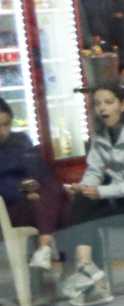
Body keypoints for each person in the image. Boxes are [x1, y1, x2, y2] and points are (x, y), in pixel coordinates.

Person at [59, 83, 124, 306]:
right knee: (83, 201)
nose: (102, 109)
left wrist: (99, 191)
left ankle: (89, 276)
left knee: (88, 207)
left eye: (109, 102)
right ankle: (87, 268)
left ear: (123, 104)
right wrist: (84, 187)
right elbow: (94, 171)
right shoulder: (100, 135)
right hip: (120, 195)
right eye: (97, 104)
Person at [0, 100, 65, 290]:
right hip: (9, 207)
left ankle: (45, 250)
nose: (3, 131)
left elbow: (41, 172)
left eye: (6, 125)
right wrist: (21, 189)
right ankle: (52, 255)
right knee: (61, 210)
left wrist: (32, 186)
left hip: (35, 199)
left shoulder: (20, 141)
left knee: (56, 191)